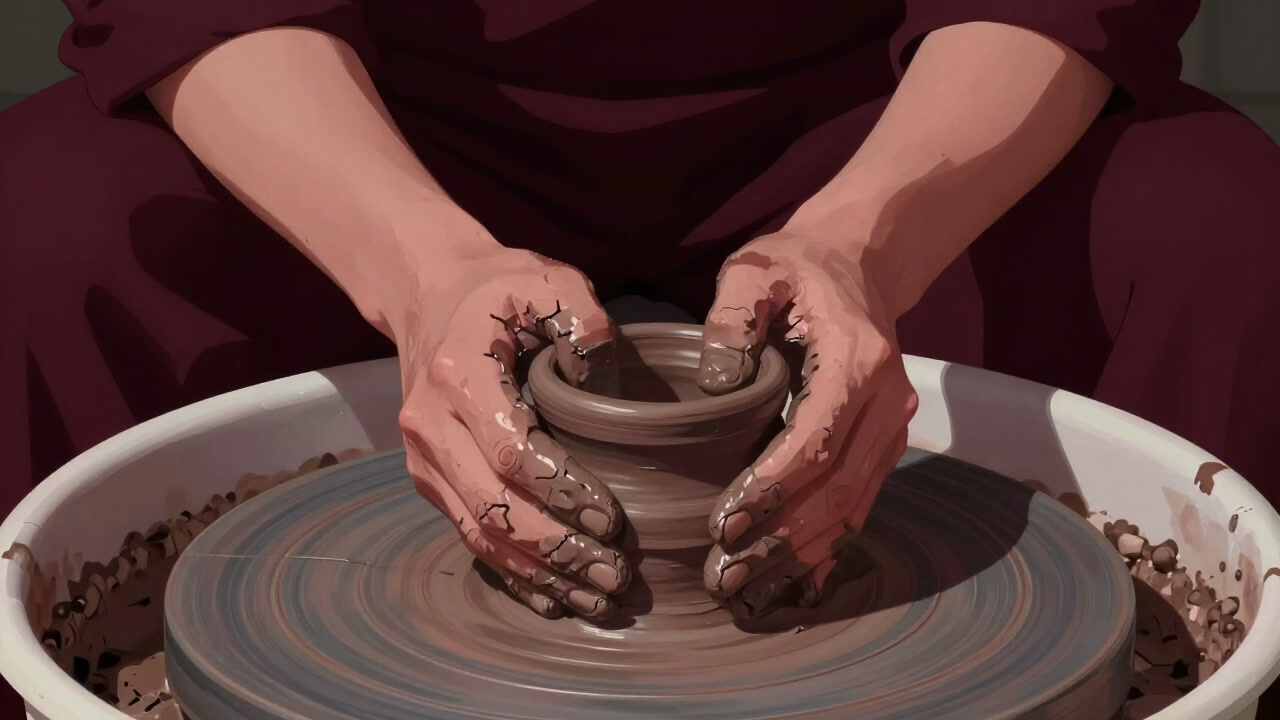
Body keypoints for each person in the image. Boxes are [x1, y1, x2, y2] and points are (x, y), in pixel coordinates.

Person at [2, 0, 1280, 676]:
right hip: (374, 110)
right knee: (48, 228)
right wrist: (421, 270)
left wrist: (861, 247)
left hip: (878, 107)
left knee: (1214, 229)